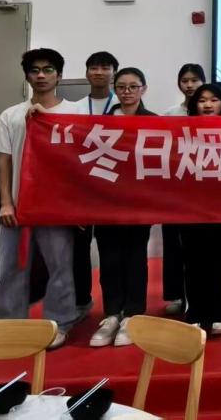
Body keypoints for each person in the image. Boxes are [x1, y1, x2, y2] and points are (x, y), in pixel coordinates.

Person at [0, 48, 79, 350]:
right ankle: (11, 325)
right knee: (10, 267)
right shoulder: (11, 115)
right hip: (17, 206)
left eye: (48, 69)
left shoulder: (76, 113)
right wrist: (6, 202)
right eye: (35, 70)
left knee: (60, 267)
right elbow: (4, 161)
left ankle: (59, 323)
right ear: (27, 76)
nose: (41, 75)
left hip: (56, 208)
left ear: (59, 75)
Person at [89, 67, 154, 348]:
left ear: (143, 89)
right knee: (110, 259)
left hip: (139, 204)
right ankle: (112, 314)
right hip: (105, 203)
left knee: (135, 257)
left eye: (133, 86)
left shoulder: (155, 122)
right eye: (122, 87)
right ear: (115, 89)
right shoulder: (100, 123)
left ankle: (133, 314)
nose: (127, 92)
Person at [179, 84, 221, 335]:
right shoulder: (181, 133)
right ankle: (195, 311)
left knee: (218, 261)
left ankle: (219, 312)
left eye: (214, 100)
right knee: (192, 260)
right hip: (189, 207)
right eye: (202, 100)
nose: (208, 105)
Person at [71, 50, 119, 321]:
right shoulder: (74, 108)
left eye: (105, 67)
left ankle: (113, 308)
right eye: (94, 67)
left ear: (113, 72)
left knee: (110, 250)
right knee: (78, 248)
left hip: (112, 191)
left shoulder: (123, 107)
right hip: (81, 189)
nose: (99, 72)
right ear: (87, 72)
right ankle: (81, 301)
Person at [159, 63, 205, 315]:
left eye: (194, 80)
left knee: (200, 247)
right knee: (174, 245)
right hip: (176, 190)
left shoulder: (213, 112)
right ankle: (177, 294)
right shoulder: (170, 114)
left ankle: (200, 294)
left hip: (204, 190)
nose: (189, 85)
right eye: (185, 80)